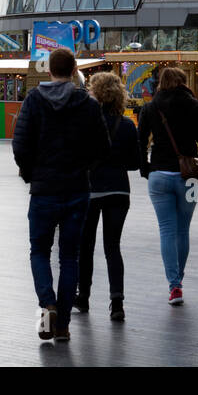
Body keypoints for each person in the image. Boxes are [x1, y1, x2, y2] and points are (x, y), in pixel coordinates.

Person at [12, 47, 110, 342]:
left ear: (49, 69)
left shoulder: (33, 101)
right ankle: (64, 325)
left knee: (39, 251)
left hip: (43, 190)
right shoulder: (88, 104)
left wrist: (32, 173)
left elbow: (20, 146)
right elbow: (102, 147)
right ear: (74, 69)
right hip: (77, 190)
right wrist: (85, 169)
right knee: (70, 257)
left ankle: (47, 305)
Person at [137, 66, 198, 308]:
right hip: (189, 177)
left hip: (158, 174)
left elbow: (140, 141)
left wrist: (144, 168)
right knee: (183, 230)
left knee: (167, 230)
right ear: (182, 82)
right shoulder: (192, 104)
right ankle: (179, 279)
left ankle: (174, 285)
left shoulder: (149, 107)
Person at [76, 72, 142, 321]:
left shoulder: (85, 123)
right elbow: (135, 164)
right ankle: (117, 303)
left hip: (90, 190)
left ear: (96, 92)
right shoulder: (126, 124)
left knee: (86, 247)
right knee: (112, 247)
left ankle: (83, 298)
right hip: (119, 190)